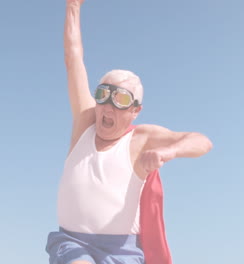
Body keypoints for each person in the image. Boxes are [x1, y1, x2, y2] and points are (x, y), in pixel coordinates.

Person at [45, 0, 213, 264]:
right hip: (72, 242)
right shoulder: (84, 123)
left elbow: (202, 141)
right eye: (103, 95)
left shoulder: (141, 138)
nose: (108, 107)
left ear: (135, 110)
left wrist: (169, 150)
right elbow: (72, 58)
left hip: (122, 251)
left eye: (120, 100)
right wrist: (73, 7)